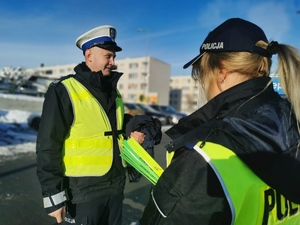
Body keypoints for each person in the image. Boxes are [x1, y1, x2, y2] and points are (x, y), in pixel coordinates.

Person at [139, 18, 300, 225]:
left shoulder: (205, 157)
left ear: (221, 73)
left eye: (200, 73)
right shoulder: (294, 122)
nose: (202, 84)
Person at [36, 25, 146, 225]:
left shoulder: (114, 92)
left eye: (114, 57)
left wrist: (134, 132)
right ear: (89, 56)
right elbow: (47, 145)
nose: (113, 62)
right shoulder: (64, 90)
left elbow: (113, 133)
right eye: (108, 56)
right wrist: (54, 198)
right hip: (82, 193)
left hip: (115, 189)